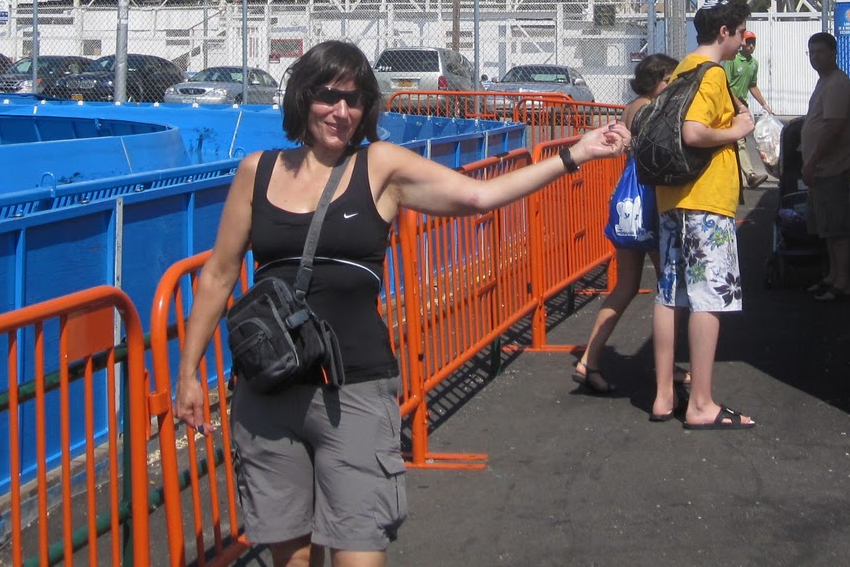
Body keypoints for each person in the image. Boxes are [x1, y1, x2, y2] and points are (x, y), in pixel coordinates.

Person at [173, 40, 630, 567]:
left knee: (359, 551)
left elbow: (478, 196)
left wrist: (574, 155)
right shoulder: (259, 170)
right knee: (291, 558)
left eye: (354, 101)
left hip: (355, 390)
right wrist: (189, 373)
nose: (341, 112)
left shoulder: (379, 166)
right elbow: (219, 273)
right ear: (302, 97)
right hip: (270, 388)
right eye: (327, 97)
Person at [649, 0, 758, 430]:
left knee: (669, 293)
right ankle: (700, 404)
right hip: (706, 199)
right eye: (741, 33)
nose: (741, 41)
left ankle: (662, 396)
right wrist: (737, 130)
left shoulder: (681, 70)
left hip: (671, 196)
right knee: (710, 297)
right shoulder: (712, 74)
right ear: (725, 32)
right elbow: (694, 131)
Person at [571, 52, 678, 396]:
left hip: (628, 201)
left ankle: (590, 358)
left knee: (626, 285)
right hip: (651, 203)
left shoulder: (630, 108)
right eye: (671, 79)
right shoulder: (653, 110)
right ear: (658, 81)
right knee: (671, 286)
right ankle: (668, 366)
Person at [799, 32, 850, 301]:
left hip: (831, 168)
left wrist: (812, 161)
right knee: (827, 228)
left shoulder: (837, 84)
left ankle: (843, 282)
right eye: (812, 52)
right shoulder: (824, 82)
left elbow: (833, 127)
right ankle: (832, 276)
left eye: (821, 52)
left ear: (834, 53)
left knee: (837, 228)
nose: (816, 57)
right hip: (821, 170)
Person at [723, 30, 775, 189]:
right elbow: (726, 84)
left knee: (739, 141)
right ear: (741, 43)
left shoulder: (753, 63)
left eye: (753, 42)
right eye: (748, 41)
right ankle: (749, 175)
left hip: (742, 105)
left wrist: (764, 105)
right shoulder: (733, 60)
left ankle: (738, 175)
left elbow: (752, 85)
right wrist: (738, 104)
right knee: (739, 141)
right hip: (730, 104)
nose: (751, 45)